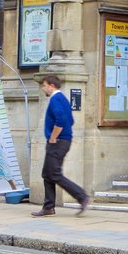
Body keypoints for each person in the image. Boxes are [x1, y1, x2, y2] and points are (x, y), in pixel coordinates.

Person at [31, 75, 90, 217]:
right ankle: (48, 207)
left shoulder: (56, 99)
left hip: (58, 142)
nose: (43, 88)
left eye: (44, 85)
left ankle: (82, 196)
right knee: (47, 174)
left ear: (51, 85)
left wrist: (53, 137)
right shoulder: (62, 99)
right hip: (63, 141)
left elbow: (62, 120)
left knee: (54, 174)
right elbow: (71, 120)